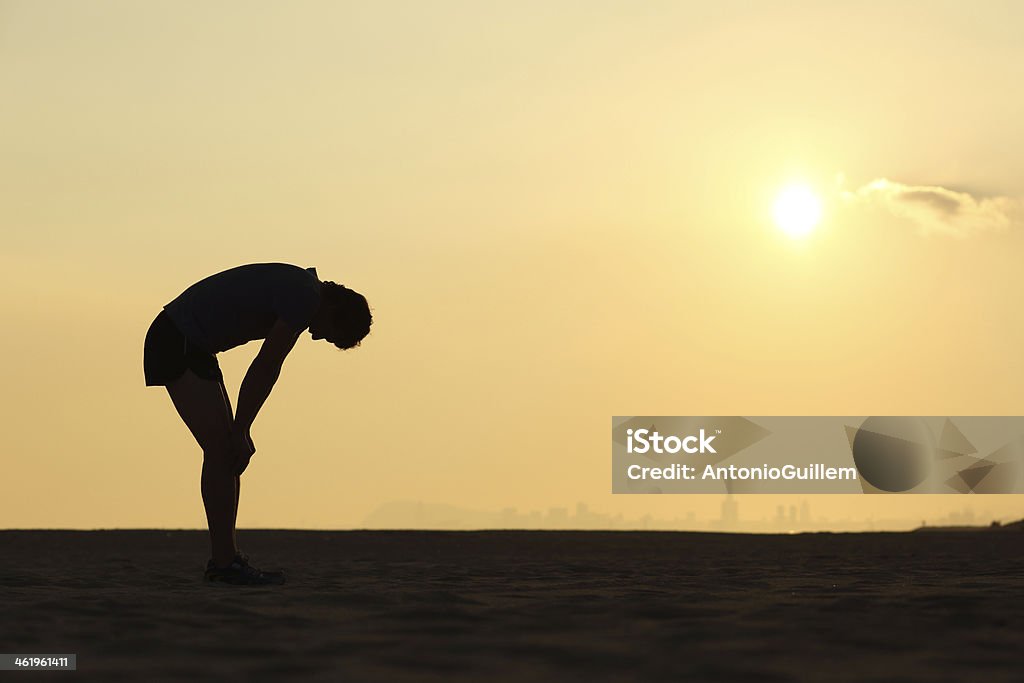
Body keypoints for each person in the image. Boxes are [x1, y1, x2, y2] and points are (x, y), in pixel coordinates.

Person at [143, 262, 372, 585]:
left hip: (191, 344)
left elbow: (266, 368)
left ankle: (226, 559)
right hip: (175, 339)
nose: (318, 337)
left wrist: (241, 429)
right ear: (335, 308)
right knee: (223, 450)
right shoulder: (304, 297)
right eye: (330, 335)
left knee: (227, 454)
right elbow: (266, 366)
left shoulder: (304, 290)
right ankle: (223, 564)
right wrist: (241, 428)